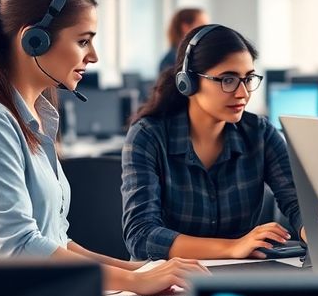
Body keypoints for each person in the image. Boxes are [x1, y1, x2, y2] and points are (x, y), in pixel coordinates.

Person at [0, 0, 207, 295]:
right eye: (83, 40)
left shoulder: (35, 117)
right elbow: (20, 247)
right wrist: (134, 283)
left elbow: (54, 241)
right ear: (33, 40)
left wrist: (139, 269)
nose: (93, 56)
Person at [123, 24, 304, 260]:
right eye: (228, 80)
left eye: (248, 79)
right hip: (167, 279)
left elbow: (297, 204)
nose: (243, 93)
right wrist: (231, 247)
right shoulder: (148, 136)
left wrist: (313, 230)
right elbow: (140, 235)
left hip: (240, 274)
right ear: (188, 82)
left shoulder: (260, 134)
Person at [159, 8, 209, 73]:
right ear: (185, 27)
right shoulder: (170, 61)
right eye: (202, 25)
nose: (207, 30)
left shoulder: (195, 54)